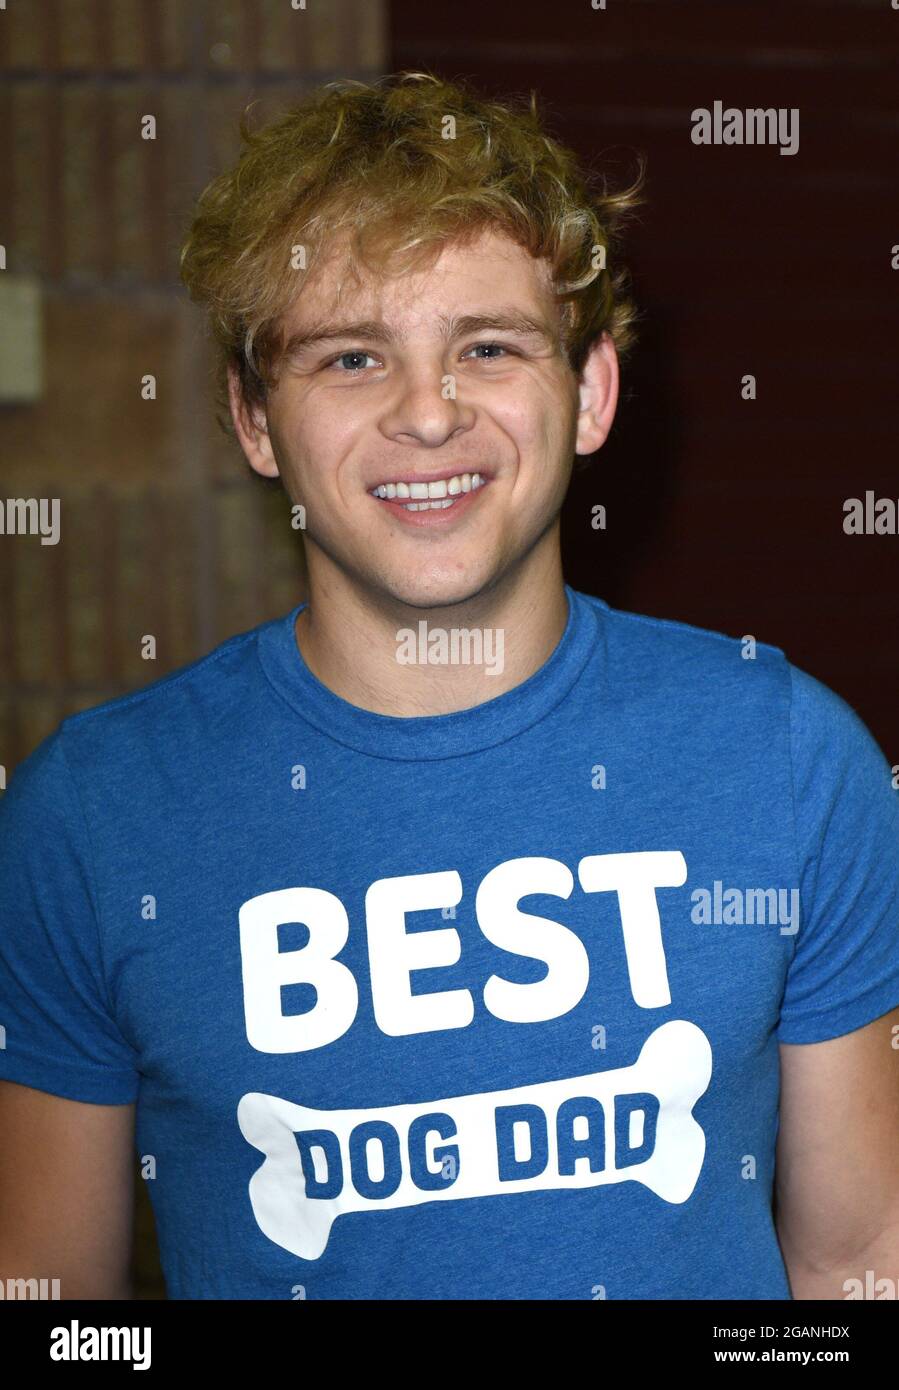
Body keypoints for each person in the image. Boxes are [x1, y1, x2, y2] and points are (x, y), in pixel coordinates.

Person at [1, 71, 897, 1302]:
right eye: (351, 357)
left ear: (587, 392)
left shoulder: (789, 754)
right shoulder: (87, 815)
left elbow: (855, 1265)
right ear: (255, 422)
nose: (428, 414)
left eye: (486, 346)